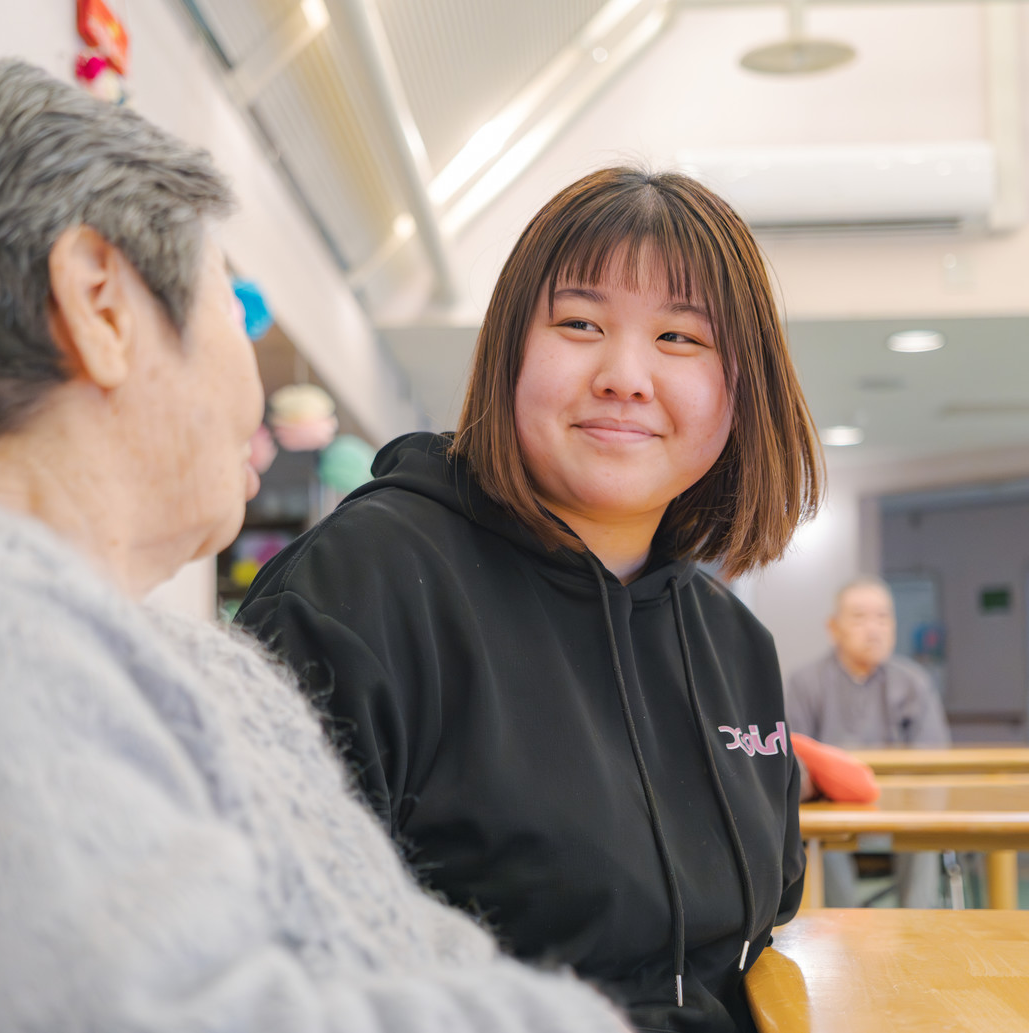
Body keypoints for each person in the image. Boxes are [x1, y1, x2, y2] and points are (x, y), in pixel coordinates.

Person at [0, 50, 637, 1033]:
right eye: (231, 302)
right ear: (99, 305)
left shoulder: (106, 645)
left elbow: (396, 946)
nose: (250, 374)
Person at [237, 167, 823, 1033]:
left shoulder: (733, 643)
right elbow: (261, 967)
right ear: (510, 349)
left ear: (744, 389)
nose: (625, 376)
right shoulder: (360, 590)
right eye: (580, 324)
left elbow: (755, 940)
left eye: (680, 337)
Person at [785, 576, 951, 908]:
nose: (873, 629)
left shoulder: (913, 682)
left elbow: (934, 758)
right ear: (834, 628)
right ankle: (845, 930)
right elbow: (793, 759)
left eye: (883, 617)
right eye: (859, 618)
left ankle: (916, 930)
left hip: (901, 805)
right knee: (813, 833)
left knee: (923, 830)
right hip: (831, 807)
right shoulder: (805, 683)